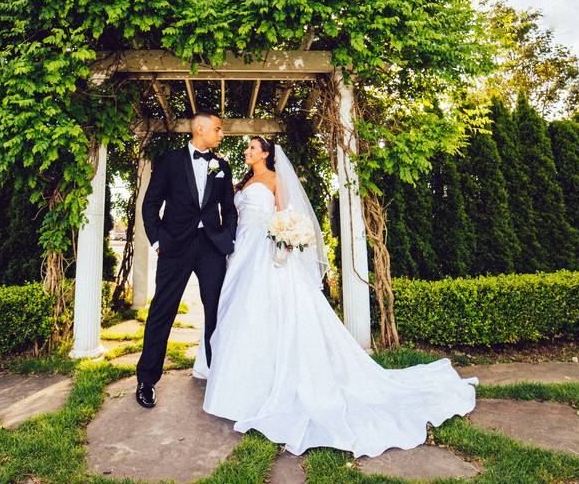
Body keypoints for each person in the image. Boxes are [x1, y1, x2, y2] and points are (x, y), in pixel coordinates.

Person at [192, 136, 479, 457]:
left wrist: (285, 242)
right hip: (242, 252)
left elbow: (285, 216)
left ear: (267, 154)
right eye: (247, 149)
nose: (247, 152)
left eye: (252, 149)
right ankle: (237, 383)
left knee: (264, 311)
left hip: (266, 253)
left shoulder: (274, 180)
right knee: (239, 313)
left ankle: (267, 385)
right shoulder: (244, 181)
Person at [135, 109, 237, 408]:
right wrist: (157, 241)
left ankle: (217, 376)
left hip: (210, 248)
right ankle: (146, 380)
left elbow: (229, 208)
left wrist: (228, 239)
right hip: (174, 247)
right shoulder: (169, 161)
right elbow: (150, 204)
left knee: (216, 311)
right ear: (201, 129)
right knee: (162, 311)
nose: (222, 133)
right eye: (218, 129)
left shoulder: (222, 166)